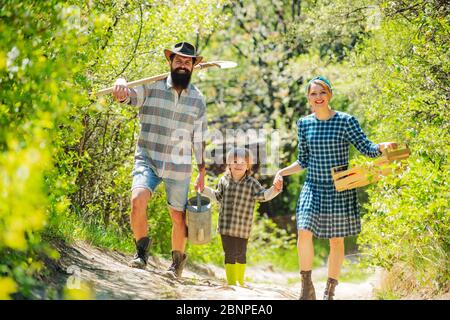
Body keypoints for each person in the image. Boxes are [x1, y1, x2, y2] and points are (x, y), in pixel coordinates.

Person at [273, 76, 396, 299]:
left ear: (329, 94)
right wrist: (281, 171)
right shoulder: (304, 123)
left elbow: (366, 148)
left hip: (340, 186)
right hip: (313, 186)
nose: (318, 97)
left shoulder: (346, 121)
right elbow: (303, 160)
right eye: (313, 94)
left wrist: (382, 147)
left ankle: (329, 291)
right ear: (308, 98)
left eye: (322, 92)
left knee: (336, 240)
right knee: (303, 231)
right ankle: (306, 286)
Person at [112, 42, 208, 278]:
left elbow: (200, 137)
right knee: (137, 200)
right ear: (170, 62)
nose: (183, 65)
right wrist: (122, 86)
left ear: (194, 66)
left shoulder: (197, 99)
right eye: (179, 61)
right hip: (148, 157)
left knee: (178, 216)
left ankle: (176, 264)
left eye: (188, 61)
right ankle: (141, 252)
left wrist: (202, 170)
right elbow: (129, 98)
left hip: (180, 165)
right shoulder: (151, 87)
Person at [200, 147, 282, 286]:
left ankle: (240, 281)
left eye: (243, 163)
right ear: (229, 164)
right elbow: (217, 196)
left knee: (241, 253)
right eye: (235, 161)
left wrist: (275, 189)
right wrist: (203, 189)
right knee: (229, 253)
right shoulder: (224, 180)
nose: (239, 165)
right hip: (226, 226)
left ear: (248, 166)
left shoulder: (252, 183)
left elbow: (264, 196)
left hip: (242, 228)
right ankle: (232, 282)